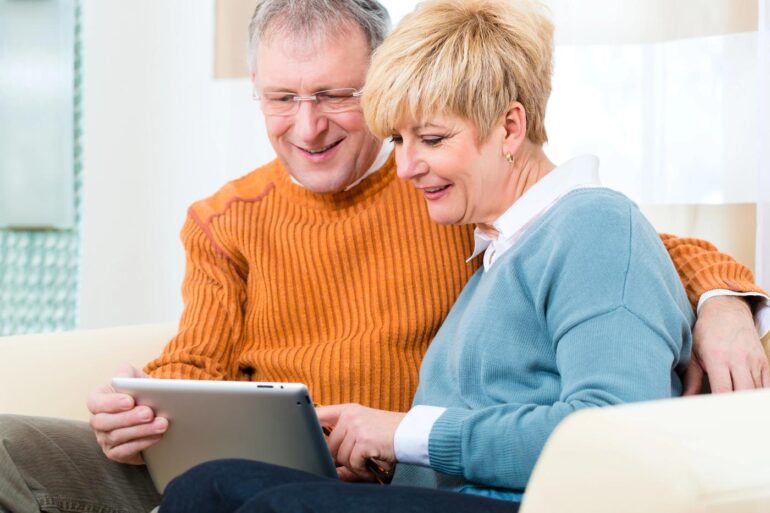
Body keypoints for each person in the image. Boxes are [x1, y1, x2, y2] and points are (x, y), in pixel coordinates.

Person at [0, 1, 767, 512]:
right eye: (280, 98)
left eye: (337, 95)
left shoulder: (458, 199)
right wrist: (137, 408)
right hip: (364, 467)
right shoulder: (231, 219)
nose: (307, 126)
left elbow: (615, 247)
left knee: (229, 493)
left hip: (411, 470)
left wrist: (723, 298)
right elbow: (193, 365)